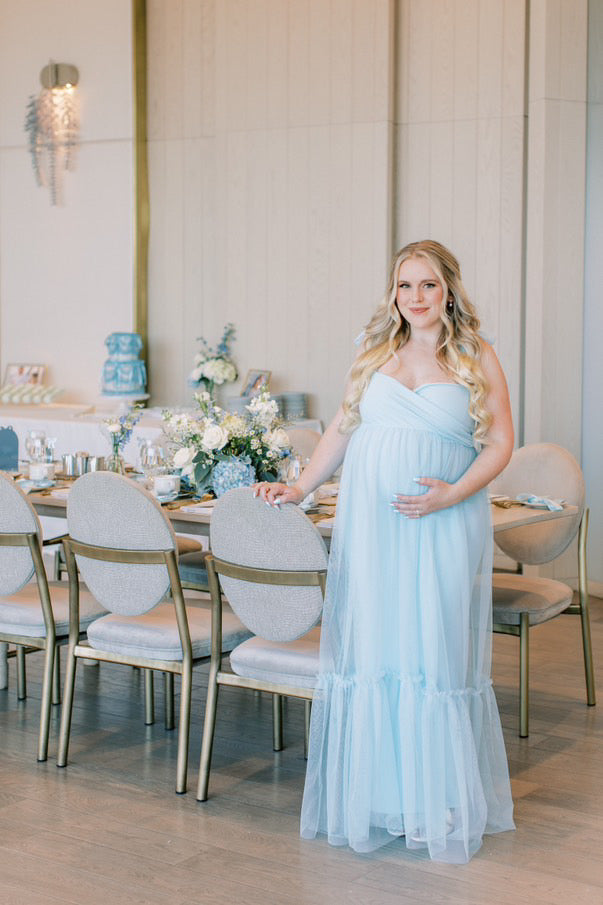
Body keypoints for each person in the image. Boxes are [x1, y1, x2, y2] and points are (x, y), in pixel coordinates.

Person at [254, 240, 515, 863]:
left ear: (448, 291)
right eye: (404, 285)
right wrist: (301, 486)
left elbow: (502, 442)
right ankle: (385, 794)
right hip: (372, 523)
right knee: (380, 644)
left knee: (433, 647)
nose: (415, 297)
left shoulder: (476, 354)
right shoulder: (374, 351)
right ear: (393, 293)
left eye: (427, 285)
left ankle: (437, 798)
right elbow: (342, 429)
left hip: (444, 519)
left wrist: (452, 494)